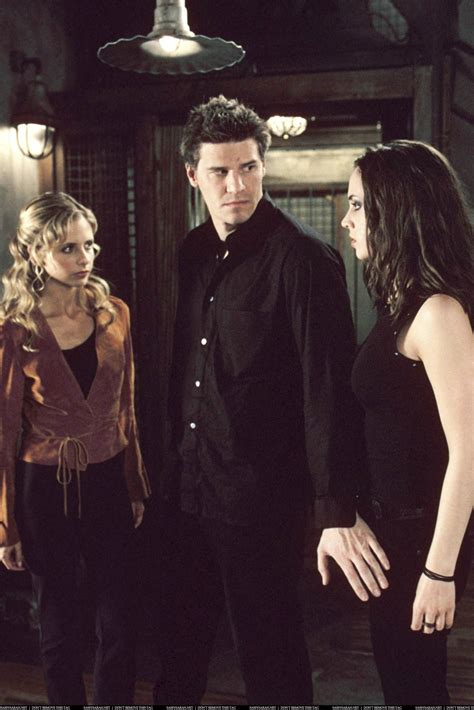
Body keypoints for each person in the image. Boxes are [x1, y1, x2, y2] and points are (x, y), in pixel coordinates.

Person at [153, 94, 372, 704]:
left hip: (260, 498)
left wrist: (334, 507)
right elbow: (187, 369)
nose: (236, 186)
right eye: (220, 172)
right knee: (178, 650)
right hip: (190, 487)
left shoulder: (303, 257)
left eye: (248, 167)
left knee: (270, 658)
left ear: (263, 166)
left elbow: (326, 387)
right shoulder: (194, 250)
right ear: (193, 175)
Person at [319, 140, 473, 703]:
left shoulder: (438, 312)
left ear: (398, 211)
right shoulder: (400, 304)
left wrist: (439, 572)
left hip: (419, 544)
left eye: (358, 204)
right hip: (392, 538)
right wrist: (341, 516)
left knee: (416, 690)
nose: (347, 220)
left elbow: (469, 453)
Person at [0, 192, 151, 704]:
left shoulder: (114, 314)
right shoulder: (15, 329)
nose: (84, 258)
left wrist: (134, 484)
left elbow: (127, 409)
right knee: (60, 623)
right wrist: (6, 524)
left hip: (108, 478)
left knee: (120, 619)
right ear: (35, 252)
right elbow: (3, 432)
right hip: (45, 487)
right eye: (68, 248)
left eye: (89, 245)